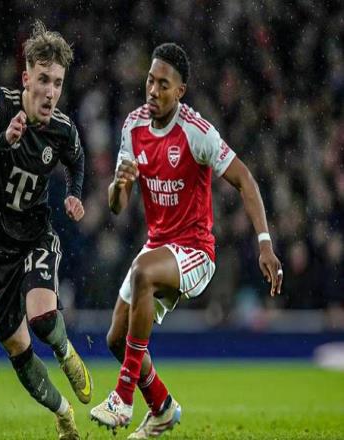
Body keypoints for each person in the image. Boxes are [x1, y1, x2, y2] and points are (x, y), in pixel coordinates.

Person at [90, 43, 283, 438]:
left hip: (195, 252)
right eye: (150, 80)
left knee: (143, 272)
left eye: (163, 84)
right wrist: (119, 186)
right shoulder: (133, 127)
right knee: (115, 339)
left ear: (180, 91)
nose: (153, 90)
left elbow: (245, 180)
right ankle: (161, 407)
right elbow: (117, 206)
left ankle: (123, 397)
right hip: (158, 246)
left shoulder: (197, 132)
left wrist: (265, 243)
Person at [0, 20, 92, 440]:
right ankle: (63, 413)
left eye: (58, 82)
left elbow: (77, 160)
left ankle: (66, 351)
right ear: (26, 78)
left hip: (34, 236)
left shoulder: (62, 129)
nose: (51, 91)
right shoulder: (1, 105)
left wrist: (74, 194)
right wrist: (3, 139)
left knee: (43, 316)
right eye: (44, 79)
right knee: (18, 348)